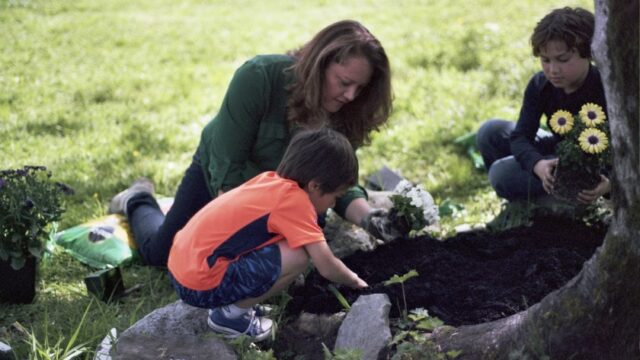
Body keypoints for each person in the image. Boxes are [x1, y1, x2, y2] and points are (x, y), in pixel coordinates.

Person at [108, 20, 403, 267]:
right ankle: (137, 199)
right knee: (164, 256)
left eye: (360, 88)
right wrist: (250, 236)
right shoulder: (259, 76)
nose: (351, 96)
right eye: (344, 82)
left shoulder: (347, 109)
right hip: (227, 177)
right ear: (319, 64)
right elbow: (227, 167)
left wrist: (369, 219)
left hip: (290, 198)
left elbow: (336, 181)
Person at [167, 128, 368, 341]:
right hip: (200, 284)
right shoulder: (296, 203)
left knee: (283, 246)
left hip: (181, 267)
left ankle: (237, 303)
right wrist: (356, 281)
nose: (333, 204)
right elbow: (326, 265)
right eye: (335, 197)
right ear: (314, 186)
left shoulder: (269, 180)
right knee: (298, 257)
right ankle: (229, 317)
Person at [475, 7, 610, 204]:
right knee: (490, 132)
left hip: (593, 168)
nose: (553, 70)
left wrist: (610, 184)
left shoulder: (606, 88)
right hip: (557, 153)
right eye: (545, 60)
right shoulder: (541, 85)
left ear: (589, 53)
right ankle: (522, 202)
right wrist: (537, 164)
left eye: (563, 60)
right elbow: (521, 135)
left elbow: (628, 150)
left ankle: (563, 206)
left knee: (500, 173)